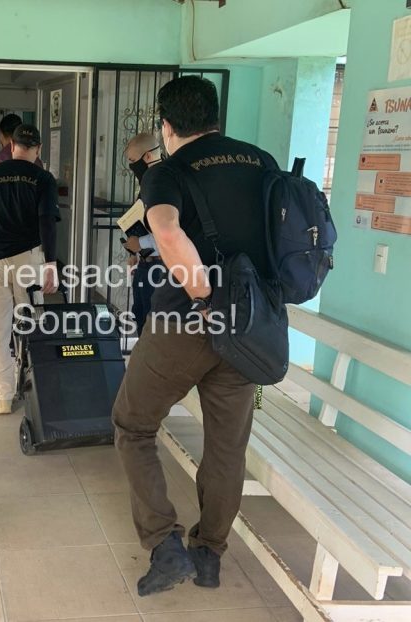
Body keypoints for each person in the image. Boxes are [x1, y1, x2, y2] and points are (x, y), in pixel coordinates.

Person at [112, 76, 279, 596]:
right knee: (227, 447)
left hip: (184, 323)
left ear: (166, 125)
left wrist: (204, 297)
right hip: (249, 327)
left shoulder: (169, 170)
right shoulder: (261, 161)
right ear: (215, 117)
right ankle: (209, 555)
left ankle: (166, 545)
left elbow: (164, 230)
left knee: (133, 424)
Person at [0, 124, 59, 414]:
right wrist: (51, 264)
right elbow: (46, 221)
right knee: (32, 323)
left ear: (12, 146)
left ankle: (3, 396)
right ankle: (37, 386)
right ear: (38, 149)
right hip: (28, 261)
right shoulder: (43, 178)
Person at [123, 133, 163, 336]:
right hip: (145, 263)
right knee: (140, 316)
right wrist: (134, 252)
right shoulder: (148, 183)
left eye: (133, 160)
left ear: (147, 156)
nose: (131, 166)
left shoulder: (163, 184)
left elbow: (170, 231)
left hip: (160, 266)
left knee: (152, 325)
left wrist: (141, 243)